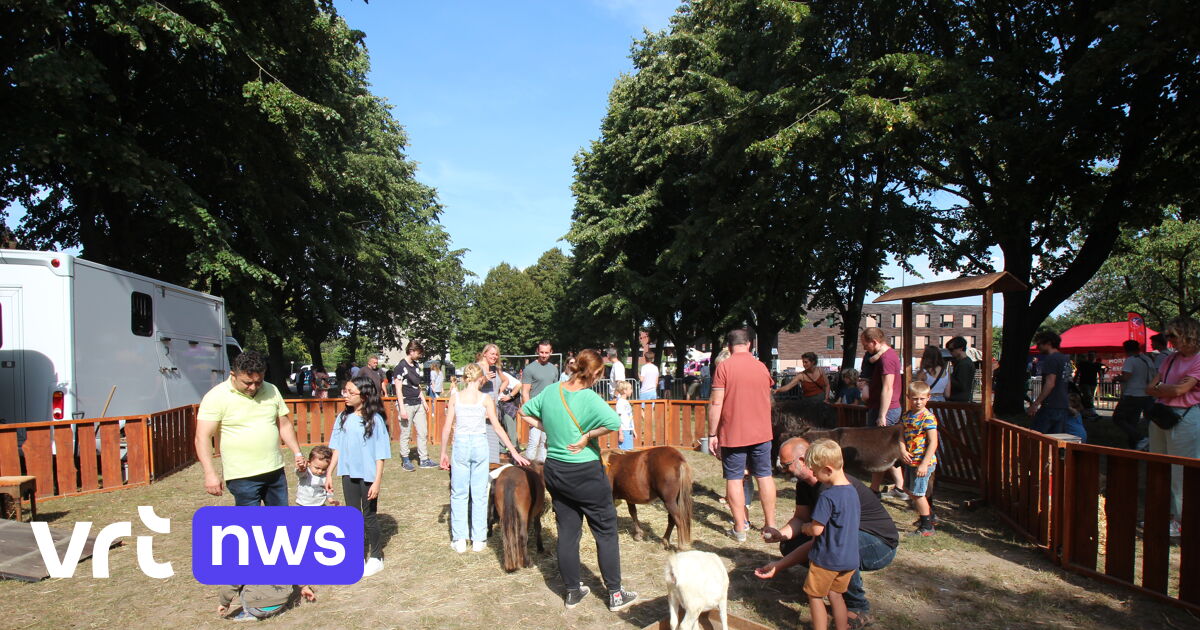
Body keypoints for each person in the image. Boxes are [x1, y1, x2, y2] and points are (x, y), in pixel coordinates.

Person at [520, 349, 637, 612]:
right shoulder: (590, 397)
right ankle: (616, 594)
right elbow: (613, 422)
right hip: (585, 472)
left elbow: (524, 411)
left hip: (556, 470)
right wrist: (587, 436)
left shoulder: (551, 391)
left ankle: (573, 591)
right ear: (596, 373)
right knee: (606, 532)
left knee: (567, 532)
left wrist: (549, 428)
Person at [755, 437, 897, 628]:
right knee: (791, 544)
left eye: (786, 465)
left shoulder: (828, 491)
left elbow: (820, 534)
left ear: (803, 461)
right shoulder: (807, 485)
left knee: (838, 549)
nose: (784, 470)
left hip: (879, 544)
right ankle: (834, 589)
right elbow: (801, 518)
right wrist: (781, 534)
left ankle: (857, 607)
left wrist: (781, 563)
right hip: (840, 539)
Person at [195, 350, 305, 506]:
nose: (253, 387)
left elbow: (284, 424)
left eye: (258, 382)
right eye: (247, 383)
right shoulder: (215, 396)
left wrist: (297, 453)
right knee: (250, 521)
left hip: (275, 471)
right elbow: (202, 437)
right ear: (233, 375)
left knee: (280, 520)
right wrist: (210, 473)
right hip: (242, 476)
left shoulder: (271, 390)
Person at [440, 363, 529, 553]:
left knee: (459, 492)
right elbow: (497, 427)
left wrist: (443, 453)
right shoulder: (485, 398)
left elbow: (447, 427)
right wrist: (514, 451)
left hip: (461, 445)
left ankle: (460, 539)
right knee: (479, 493)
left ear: (465, 378)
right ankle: (478, 539)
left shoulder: (455, 397)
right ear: (481, 378)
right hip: (480, 445)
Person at [707, 328, 777, 543]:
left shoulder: (724, 367)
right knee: (764, 476)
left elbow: (716, 403)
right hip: (762, 432)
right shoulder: (761, 367)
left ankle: (739, 529)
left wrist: (712, 433)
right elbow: (768, 397)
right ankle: (770, 526)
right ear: (749, 344)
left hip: (733, 433)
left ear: (729, 347)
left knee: (735, 478)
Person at [325, 376, 391, 577]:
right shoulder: (343, 417)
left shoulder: (375, 420)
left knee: (369, 516)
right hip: (348, 474)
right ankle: (355, 555)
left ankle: (376, 557)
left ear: (364, 396)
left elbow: (380, 454)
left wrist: (377, 481)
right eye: (345, 391)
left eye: (350, 392)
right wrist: (329, 473)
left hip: (368, 476)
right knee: (352, 516)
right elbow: (336, 447)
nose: (345, 395)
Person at [1145, 316, 1200, 538]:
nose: (1169, 340)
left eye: (1172, 335)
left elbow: (1179, 391)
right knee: (1159, 467)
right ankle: (1163, 515)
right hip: (1162, 416)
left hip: (1185, 418)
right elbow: (1150, 387)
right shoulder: (1170, 359)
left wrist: (1163, 388)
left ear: (1188, 334)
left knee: (1181, 471)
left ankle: (1182, 521)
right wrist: (1167, 388)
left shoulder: (1198, 359)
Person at [800, 439, 860, 630]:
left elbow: (817, 529)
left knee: (815, 595)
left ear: (827, 470)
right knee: (836, 594)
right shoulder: (852, 491)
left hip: (827, 559)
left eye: (814, 471)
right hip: (849, 559)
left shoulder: (827, 496)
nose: (813, 475)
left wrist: (806, 527)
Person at [859, 328, 904, 495]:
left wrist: (882, 415)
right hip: (880, 408)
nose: (864, 348)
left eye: (865, 344)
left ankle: (876, 489)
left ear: (874, 342)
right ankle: (897, 487)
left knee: (880, 451)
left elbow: (888, 388)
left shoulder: (887, 359)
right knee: (883, 449)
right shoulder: (882, 356)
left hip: (886, 410)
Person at [900, 381, 939, 536]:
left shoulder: (928, 418)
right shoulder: (906, 416)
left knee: (918, 493)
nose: (918, 402)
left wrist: (924, 463)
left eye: (922, 399)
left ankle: (927, 526)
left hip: (923, 462)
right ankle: (930, 516)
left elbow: (933, 442)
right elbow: (901, 436)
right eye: (915, 398)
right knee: (908, 489)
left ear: (928, 398)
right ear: (909, 397)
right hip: (911, 460)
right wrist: (902, 450)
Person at [477, 344, 522, 465]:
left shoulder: (495, 369)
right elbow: (471, 387)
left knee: (492, 445)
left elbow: (506, 380)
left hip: (493, 410)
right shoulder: (477, 367)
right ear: (485, 353)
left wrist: (498, 392)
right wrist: (484, 379)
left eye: (496, 354)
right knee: (481, 446)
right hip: (481, 411)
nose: (495, 356)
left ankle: (488, 470)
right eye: (492, 354)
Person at [394, 340, 435, 472]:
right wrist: (402, 409)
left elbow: (417, 386)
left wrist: (423, 401)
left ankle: (424, 459)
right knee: (406, 433)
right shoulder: (400, 367)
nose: (420, 356)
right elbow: (398, 389)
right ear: (411, 351)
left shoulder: (416, 366)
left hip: (418, 404)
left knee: (423, 432)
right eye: (418, 353)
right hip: (406, 404)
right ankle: (405, 460)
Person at [522, 341, 561, 462]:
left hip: (549, 411)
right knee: (533, 441)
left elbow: (555, 391)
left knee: (545, 442)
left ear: (551, 352)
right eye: (542, 352)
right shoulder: (529, 369)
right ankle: (528, 468)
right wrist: (528, 412)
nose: (544, 355)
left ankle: (542, 468)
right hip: (535, 410)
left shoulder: (554, 369)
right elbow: (525, 392)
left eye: (546, 352)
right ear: (537, 351)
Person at [1112, 339, 1155, 450]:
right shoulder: (1147, 359)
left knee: (1118, 418)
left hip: (1132, 394)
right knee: (1133, 421)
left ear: (1126, 350)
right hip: (1145, 394)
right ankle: (1135, 444)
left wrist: (1117, 378)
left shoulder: (1131, 360)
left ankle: (1141, 438)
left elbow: (1126, 377)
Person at [1028, 331, 1073, 435]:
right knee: (1056, 439)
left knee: (1036, 437)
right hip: (1063, 405)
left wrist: (1036, 404)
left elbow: (1050, 383)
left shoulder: (1051, 359)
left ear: (1048, 343)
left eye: (1039, 344)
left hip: (1050, 405)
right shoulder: (1065, 359)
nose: (1037, 347)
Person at [217, 584, 315, 621]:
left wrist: (224, 603)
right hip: (280, 605)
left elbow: (230, 585)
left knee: (242, 587)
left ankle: (248, 614)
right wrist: (305, 587)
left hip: (256, 609)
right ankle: (277, 611)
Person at [1075, 352, 1106, 420]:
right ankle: (1092, 412)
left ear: (1094, 357)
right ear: (1088, 357)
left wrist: (1101, 379)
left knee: (1089, 397)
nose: (1091, 357)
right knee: (1088, 396)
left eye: (1093, 356)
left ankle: (1085, 412)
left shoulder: (1097, 365)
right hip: (1084, 383)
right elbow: (1078, 372)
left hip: (1092, 383)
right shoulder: (1083, 364)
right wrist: (1074, 381)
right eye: (1090, 356)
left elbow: (1101, 372)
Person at [945, 336, 976, 402]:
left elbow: (961, 385)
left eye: (951, 349)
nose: (950, 352)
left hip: (959, 400)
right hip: (959, 399)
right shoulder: (963, 362)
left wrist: (947, 377)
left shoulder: (964, 364)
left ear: (960, 349)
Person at [615, 381, 635, 450]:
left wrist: (633, 430)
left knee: (629, 451)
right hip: (624, 431)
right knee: (624, 452)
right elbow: (618, 418)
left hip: (629, 430)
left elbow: (630, 417)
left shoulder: (626, 402)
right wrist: (621, 433)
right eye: (630, 389)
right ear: (625, 391)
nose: (632, 390)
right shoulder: (620, 403)